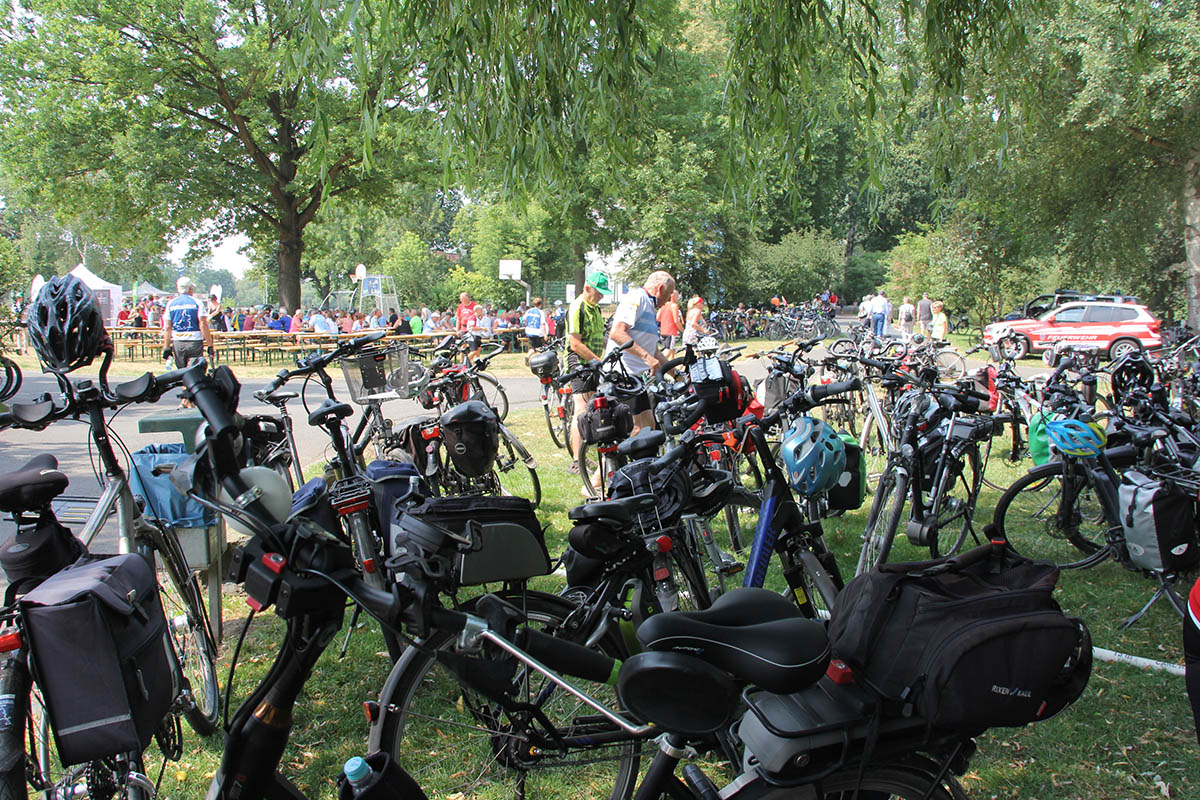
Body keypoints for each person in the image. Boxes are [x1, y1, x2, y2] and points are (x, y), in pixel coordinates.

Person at [605, 269, 675, 433]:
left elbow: (654, 352)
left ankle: (645, 458)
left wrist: (676, 374)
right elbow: (617, 333)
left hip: (634, 378)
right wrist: (647, 358)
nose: (668, 300)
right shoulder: (637, 298)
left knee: (649, 425)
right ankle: (628, 459)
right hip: (621, 374)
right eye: (669, 294)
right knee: (638, 427)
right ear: (660, 288)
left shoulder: (650, 307)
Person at [566, 271, 610, 464]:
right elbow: (575, 344)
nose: (601, 296)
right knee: (582, 411)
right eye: (598, 292)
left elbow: (600, 336)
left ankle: (586, 452)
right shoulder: (577, 308)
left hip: (594, 363)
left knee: (593, 408)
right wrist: (596, 361)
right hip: (580, 363)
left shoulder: (596, 308)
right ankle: (577, 460)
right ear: (587, 288)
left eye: (603, 293)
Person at [163, 277, 213, 407]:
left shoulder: (171, 304)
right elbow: (203, 324)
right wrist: (210, 344)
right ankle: (188, 400)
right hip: (194, 340)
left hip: (178, 341)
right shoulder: (197, 303)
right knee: (194, 372)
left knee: (183, 372)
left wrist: (166, 346)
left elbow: (167, 327)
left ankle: (186, 399)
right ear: (190, 288)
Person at [657, 290, 684, 360]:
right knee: (668, 351)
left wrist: (666, 319)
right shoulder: (674, 306)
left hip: (663, 331)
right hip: (671, 331)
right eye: (677, 296)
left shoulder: (663, 305)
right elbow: (676, 320)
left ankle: (671, 369)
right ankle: (656, 363)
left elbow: (658, 318)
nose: (678, 297)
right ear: (673, 296)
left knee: (672, 351)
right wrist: (683, 331)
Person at [456, 292, 482, 361]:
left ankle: (476, 360)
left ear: (468, 297)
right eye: (461, 299)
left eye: (463, 298)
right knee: (463, 345)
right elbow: (458, 318)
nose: (462, 300)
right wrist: (457, 329)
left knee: (476, 346)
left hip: (472, 329)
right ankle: (462, 361)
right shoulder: (460, 306)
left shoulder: (474, 305)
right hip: (463, 328)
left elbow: (479, 315)